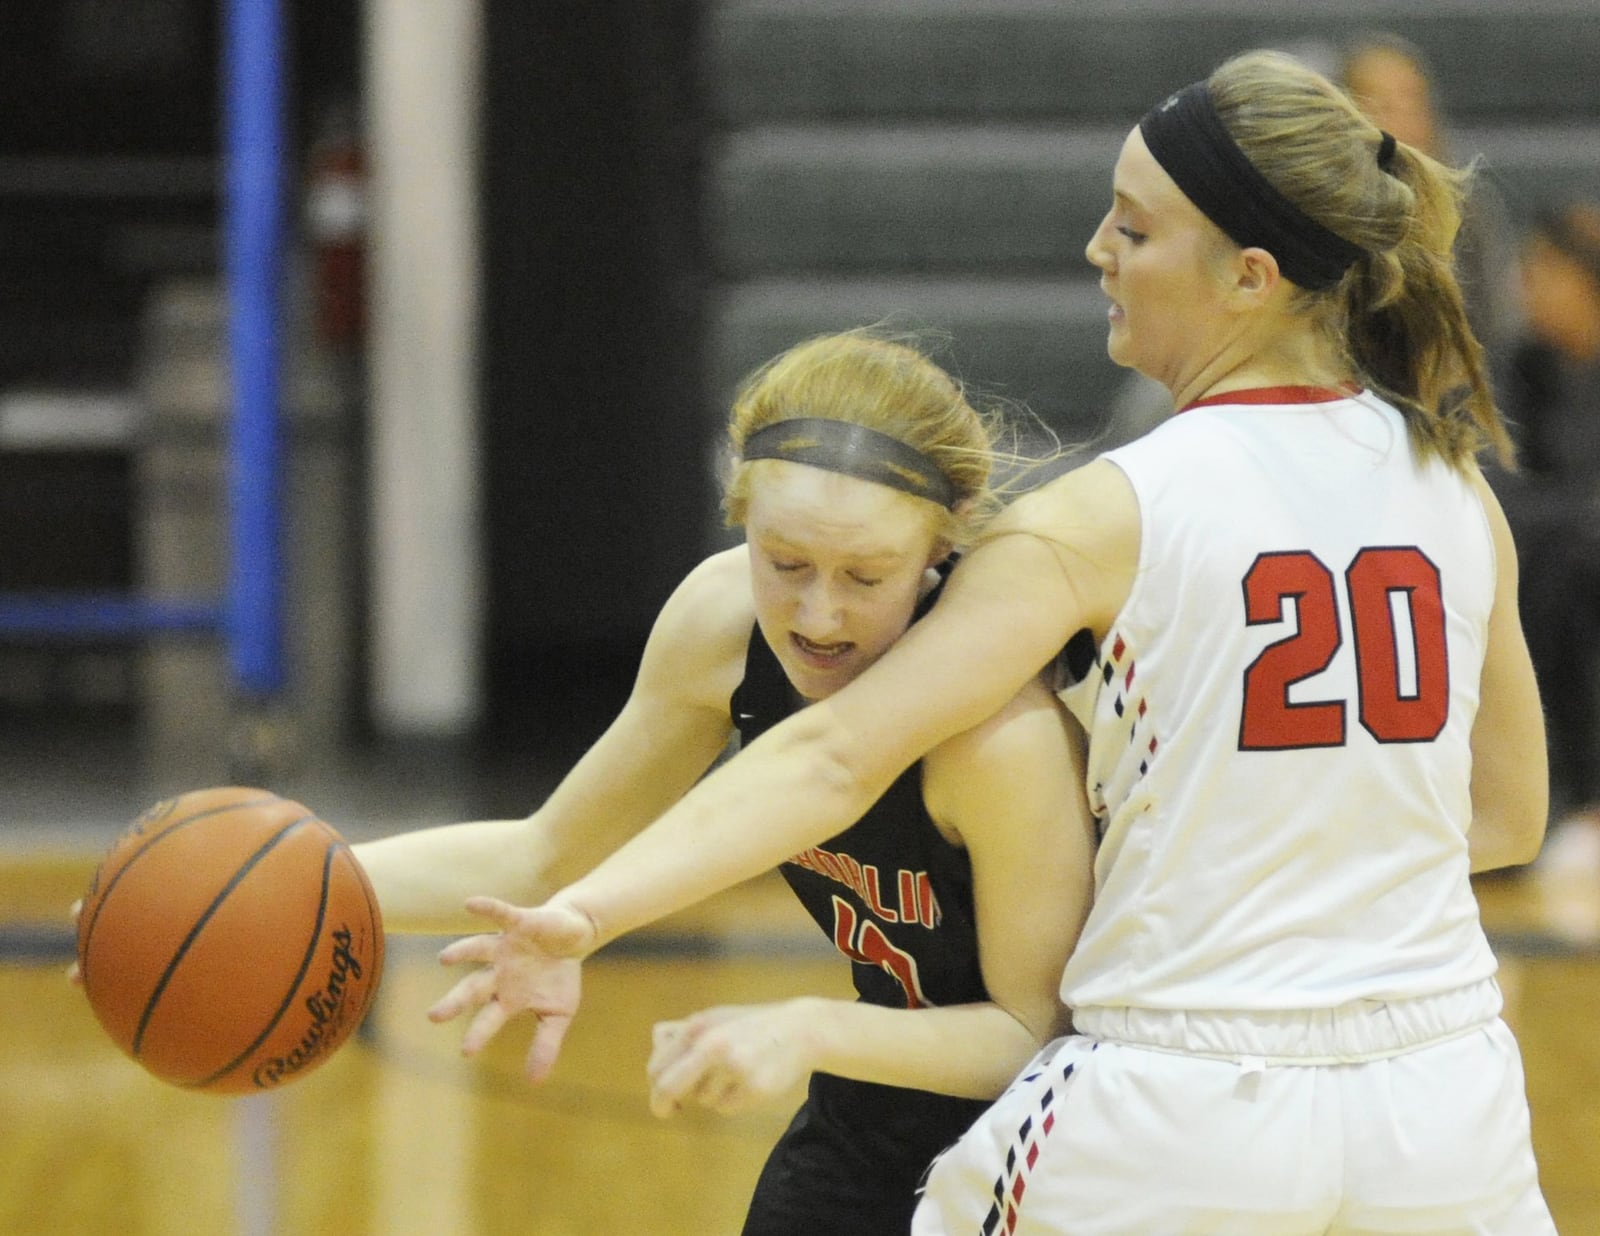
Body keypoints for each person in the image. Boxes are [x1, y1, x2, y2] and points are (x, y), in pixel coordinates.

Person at [430, 48, 1555, 1234]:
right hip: (1444, 1104)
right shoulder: (1453, 488)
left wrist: (589, 915)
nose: (1096, 250)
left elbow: (831, 757)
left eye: (1133, 228)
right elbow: (1505, 818)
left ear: (1249, 277)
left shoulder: (1097, 519)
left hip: (1184, 1098)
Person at [368, 328, 1094, 1235]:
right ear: (737, 516)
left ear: (942, 549)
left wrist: (803, 1029)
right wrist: (297, 879)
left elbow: (1038, 1039)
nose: (819, 615)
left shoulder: (996, 737)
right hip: (885, 1086)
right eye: (785, 563)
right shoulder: (721, 625)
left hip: (1059, 1133)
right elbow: (546, 858)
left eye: (867, 577)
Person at [1494, 201, 1600, 888]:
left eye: (1541, 271)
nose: (1525, 288)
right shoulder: (1522, 366)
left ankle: (1586, 798)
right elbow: (1499, 479)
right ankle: (1528, 799)